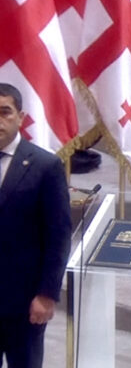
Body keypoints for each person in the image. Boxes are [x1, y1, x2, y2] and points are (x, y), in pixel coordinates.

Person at [0, 83, 72, 367]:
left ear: (21, 117)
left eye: (5, 112)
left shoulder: (45, 166)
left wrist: (47, 294)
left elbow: (58, 236)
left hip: (24, 301)